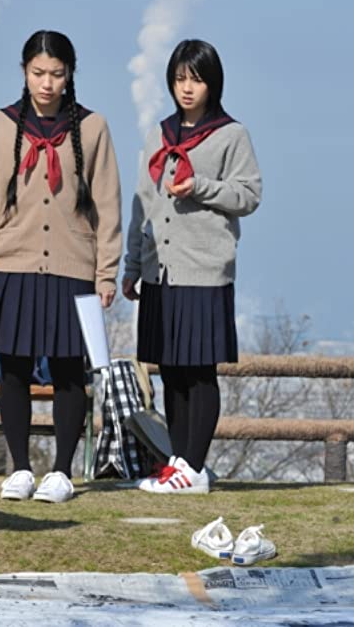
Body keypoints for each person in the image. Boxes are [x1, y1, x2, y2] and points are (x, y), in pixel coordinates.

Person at [0, 30, 122, 503]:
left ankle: (61, 472)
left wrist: (106, 272)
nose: (47, 83)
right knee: (12, 368)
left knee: (68, 370)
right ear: (24, 72)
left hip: (74, 267)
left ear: (70, 73)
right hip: (11, 264)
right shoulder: (1, 125)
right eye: (38, 73)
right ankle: (18, 468)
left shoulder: (92, 128)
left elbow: (108, 206)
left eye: (56, 74)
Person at [122, 39, 262, 494]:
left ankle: (195, 467)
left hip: (204, 269)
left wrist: (199, 186)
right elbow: (142, 203)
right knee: (171, 369)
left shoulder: (231, 134)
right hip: (159, 270)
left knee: (200, 371)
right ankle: (179, 462)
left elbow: (249, 195)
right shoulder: (158, 133)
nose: (187, 88)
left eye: (196, 79)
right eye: (180, 78)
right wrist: (132, 265)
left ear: (212, 82)